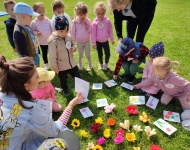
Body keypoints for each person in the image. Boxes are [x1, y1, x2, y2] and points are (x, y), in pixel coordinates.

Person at [0, 56, 84, 150]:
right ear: (25, 85)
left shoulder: (2, 92)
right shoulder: (29, 108)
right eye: (36, 77)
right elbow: (55, 130)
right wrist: (71, 105)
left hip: (10, 142)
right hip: (18, 146)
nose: (39, 78)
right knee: (62, 143)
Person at [48, 15, 80, 96]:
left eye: (66, 31)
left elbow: (73, 44)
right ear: (56, 29)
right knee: (63, 79)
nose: (64, 33)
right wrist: (54, 67)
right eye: (61, 31)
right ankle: (65, 89)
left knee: (77, 76)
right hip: (61, 66)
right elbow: (52, 55)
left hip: (71, 63)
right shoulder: (53, 41)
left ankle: (80, 89)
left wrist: (74, 48)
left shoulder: (68, 36)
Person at [13, 2, 40, 67]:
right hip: (29, 63)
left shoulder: (26, 26)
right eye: (30, 16)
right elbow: (23, 53)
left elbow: (31, 39)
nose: (32, 18)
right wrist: (29, 64)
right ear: (23, 16)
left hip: (35, 57)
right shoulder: (18, 32)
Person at [91, 1, 115, 70]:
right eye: (98, 13)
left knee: (108, 54)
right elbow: (93, 34)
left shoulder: (107, 21)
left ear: (105, 13)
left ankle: (106, 64)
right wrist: (93, 43)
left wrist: (112, 39)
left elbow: (110, 30)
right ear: (95, 12)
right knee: (100, 54)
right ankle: (101, 64)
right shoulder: (94, 22)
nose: (101, 15)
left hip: (105, 41)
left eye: (102, 13)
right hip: (98, 42)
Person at [31, 2, 53, 70]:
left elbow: (52, 29)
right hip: (42, 42)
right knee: (44, 53)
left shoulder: (48, 20)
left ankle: (53, 63)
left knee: (52, 53)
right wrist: (36, 33)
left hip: (50, 41)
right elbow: (32, 31)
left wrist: (53, 36)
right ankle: (46, 64)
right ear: (35, 13)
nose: (42, 13)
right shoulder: (34, 22)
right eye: (39, 11)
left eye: (43, 11)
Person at [71, 2, 92, 71]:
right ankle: (80, 65)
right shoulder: (74, 22)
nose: (83, 16)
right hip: (79, 42)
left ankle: (90, 64)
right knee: (80, 55)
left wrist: (87, 26)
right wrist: (74, 42)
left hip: (87, 41)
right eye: (81, 15)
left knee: (88, 55)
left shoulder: (87, 21)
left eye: (85, 14)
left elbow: (91, 31)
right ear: (77, 14)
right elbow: (73, 33)